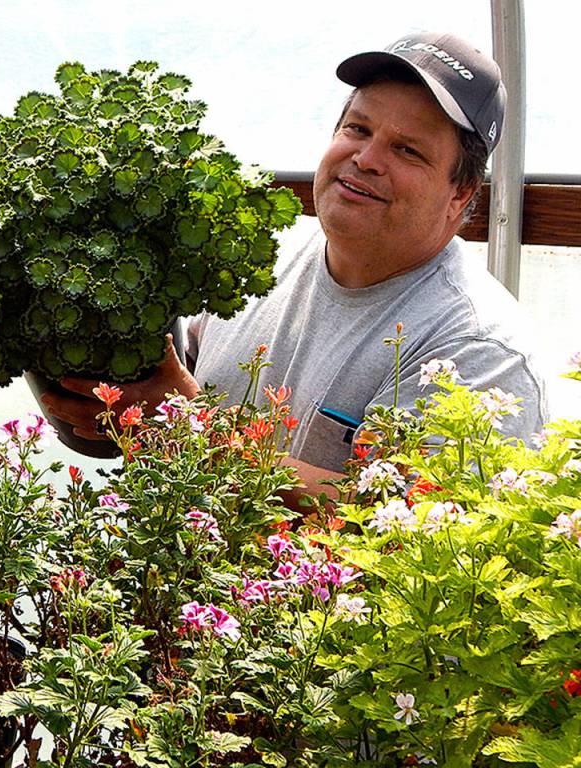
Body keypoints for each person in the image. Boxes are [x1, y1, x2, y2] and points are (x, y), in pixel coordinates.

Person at [41, 31, 548, 500]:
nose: (367, 158)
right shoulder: (264, 258)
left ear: (460, 192)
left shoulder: (479, 350)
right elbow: (184, 372)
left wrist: (186, 424)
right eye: (358, 128)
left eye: (407, 150)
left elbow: (411, 532)